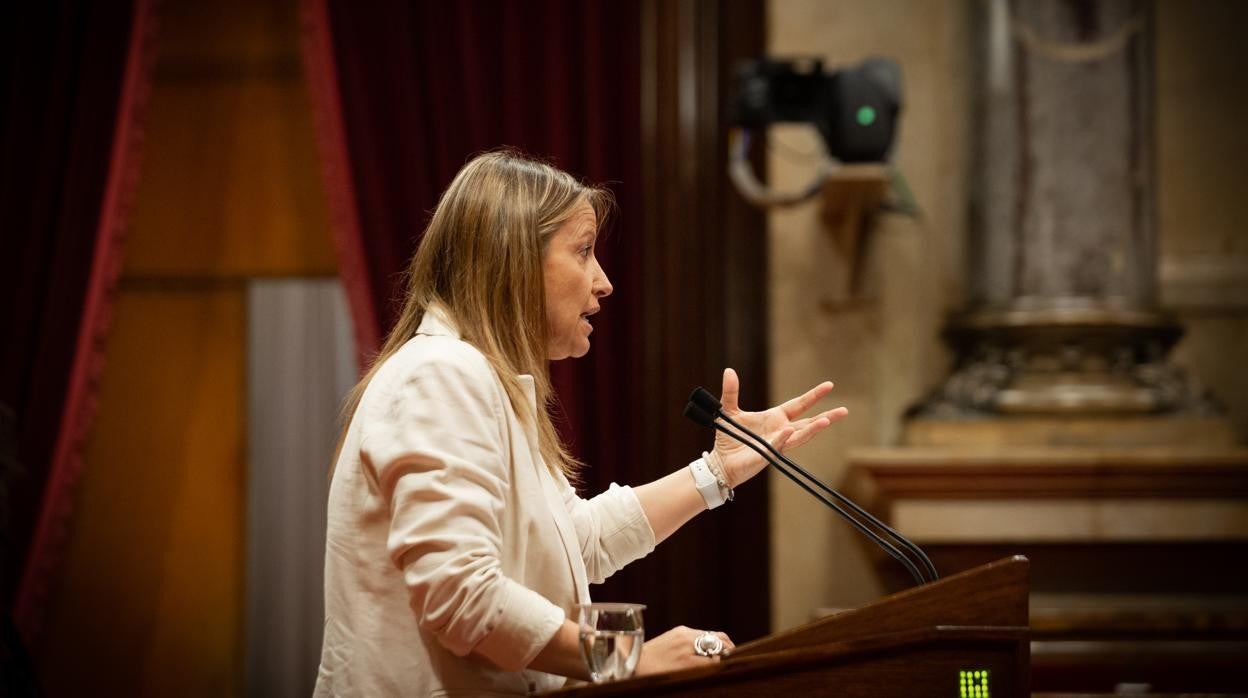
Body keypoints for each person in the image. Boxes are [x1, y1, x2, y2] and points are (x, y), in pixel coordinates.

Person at [314, 150, 847, 696]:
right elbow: (459, 594)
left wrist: (718, 472)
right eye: (584, 251)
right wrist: (624, 661)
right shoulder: (442, 375)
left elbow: (580, 541)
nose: (604, 282)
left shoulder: (480, 379)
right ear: (513, 257)